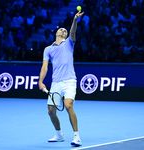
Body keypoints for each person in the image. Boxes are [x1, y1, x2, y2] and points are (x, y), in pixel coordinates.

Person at [38, 10, 84, 146]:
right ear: (56, 33)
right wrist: (40, 81)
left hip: (70, 81)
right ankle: (59, 134)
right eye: (61, 30)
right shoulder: (48, 49)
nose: (63, 31)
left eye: (65, 30)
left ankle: (76, 136)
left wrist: (74, 20)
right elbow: (45, 66)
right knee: (51, 111)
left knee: (68, 105)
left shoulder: (69, 43)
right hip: (56, 83)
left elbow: (73, 32)